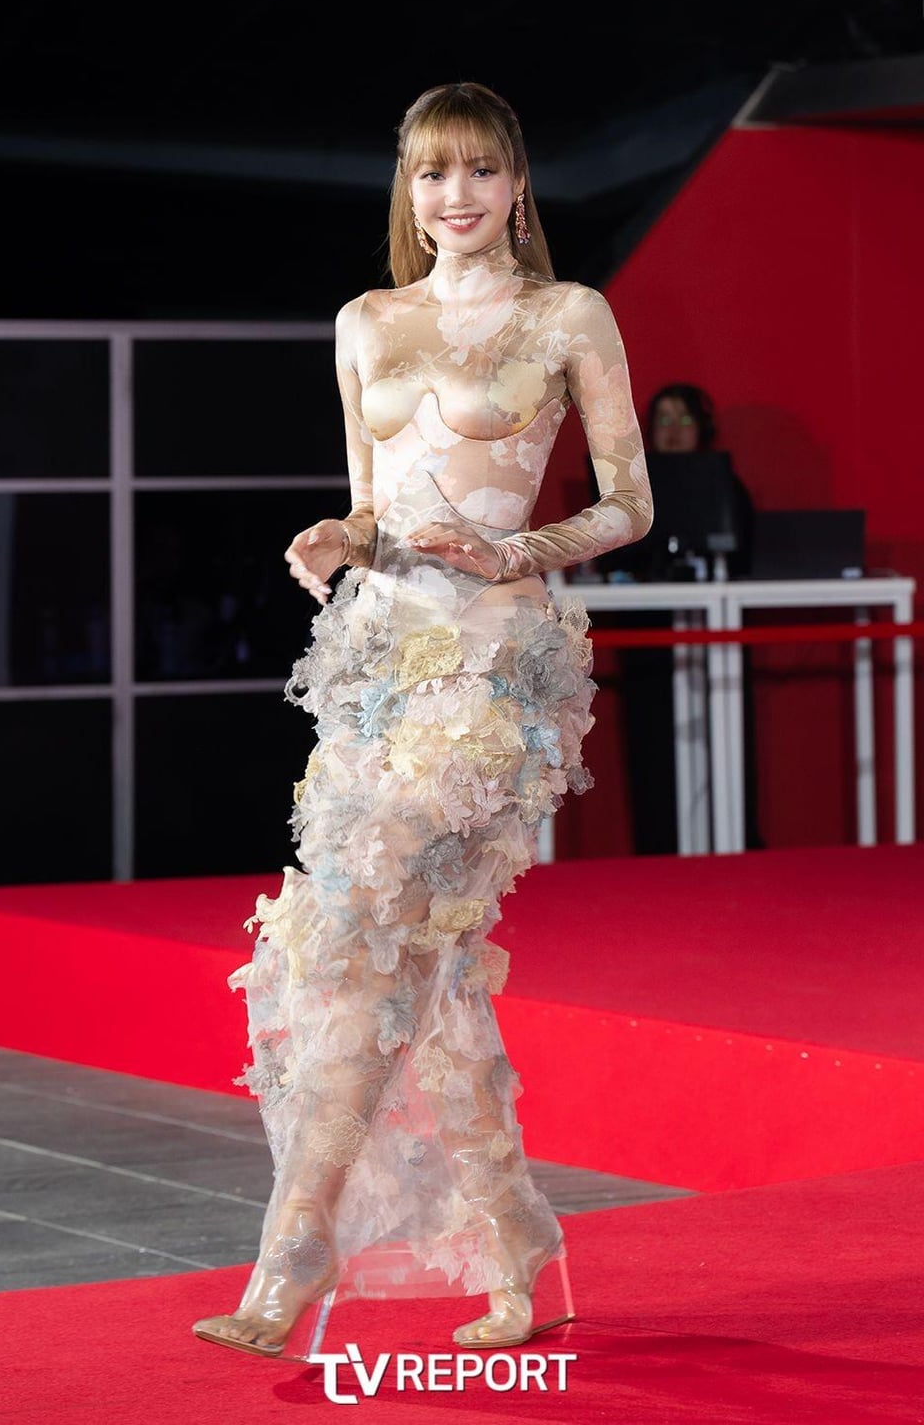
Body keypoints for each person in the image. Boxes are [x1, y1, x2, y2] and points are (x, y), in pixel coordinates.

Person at [191, 80, 653, 1360]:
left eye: (479, 170)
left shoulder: (568, 314)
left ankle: (293, 1250)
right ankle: (519, 1246)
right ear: (408, 187)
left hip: (493, 675)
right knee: (413, 962)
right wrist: (337, 537)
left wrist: (518, 552)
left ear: (518, 184)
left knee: (357, 942)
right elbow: (370, 502)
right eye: (432, 173)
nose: (455, 196)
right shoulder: (366, 322)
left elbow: (629, 502)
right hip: (377, 668)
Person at [608, 383, 764, 853]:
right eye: (663, 420)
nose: (673, 431)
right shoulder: (629, 494)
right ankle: (656, 851)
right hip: (649, 643)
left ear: (703, 428)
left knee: (726, 746)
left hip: (715, 642)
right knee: (652, 749)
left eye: (684, 420)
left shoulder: (726, 486)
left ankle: (735, 846)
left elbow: (743, 557)